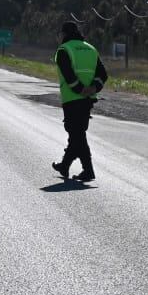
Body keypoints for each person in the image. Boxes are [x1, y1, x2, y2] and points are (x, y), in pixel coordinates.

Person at [51, 20, 107, 182]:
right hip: (88, 99)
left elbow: (69, 75)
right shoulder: (91, 49)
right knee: (77, 133)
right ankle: (66, 166)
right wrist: (93, 88)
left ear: (65, 34)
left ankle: (87, 170)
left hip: (72, 98)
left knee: (75, 133)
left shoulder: (64, 50)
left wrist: (79, 89)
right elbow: (103, 74)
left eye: (60, 34)